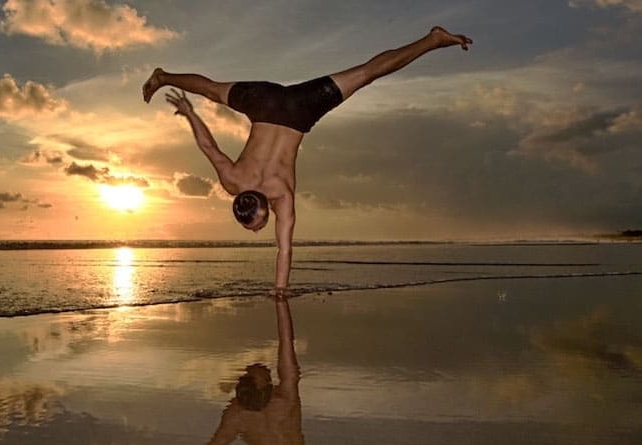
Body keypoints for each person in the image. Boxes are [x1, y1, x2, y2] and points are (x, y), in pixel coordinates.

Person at [143, 27, 472, 296]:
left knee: (367, 74)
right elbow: (208, 147)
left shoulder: (282, 196)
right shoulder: (233, 181)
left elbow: (284, 250)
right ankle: (164, 76)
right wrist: (189, 113)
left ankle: (432, 41)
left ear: (262, 209)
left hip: (301, 109)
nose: (260, 230)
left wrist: (280, 290)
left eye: (256, 225)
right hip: (264, 100)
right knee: (213, 90)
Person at [165, 298, 355, 445]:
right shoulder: (285, 400)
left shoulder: (235, 415)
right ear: (261, 386)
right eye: (265, 376)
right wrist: (282, 305)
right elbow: (286, 343)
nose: (263, 370)